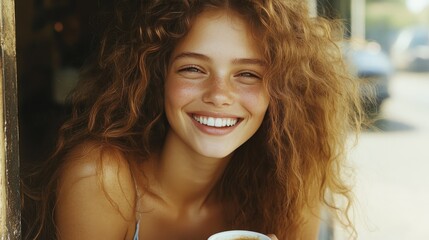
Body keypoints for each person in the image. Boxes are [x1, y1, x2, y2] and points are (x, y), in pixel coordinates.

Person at [22, 0, 364, 239]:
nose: (218, 94)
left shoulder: (289, 185)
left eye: (247, 74)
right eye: (193, 68)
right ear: (158, 76)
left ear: (282, 92)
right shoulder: (102, 178)